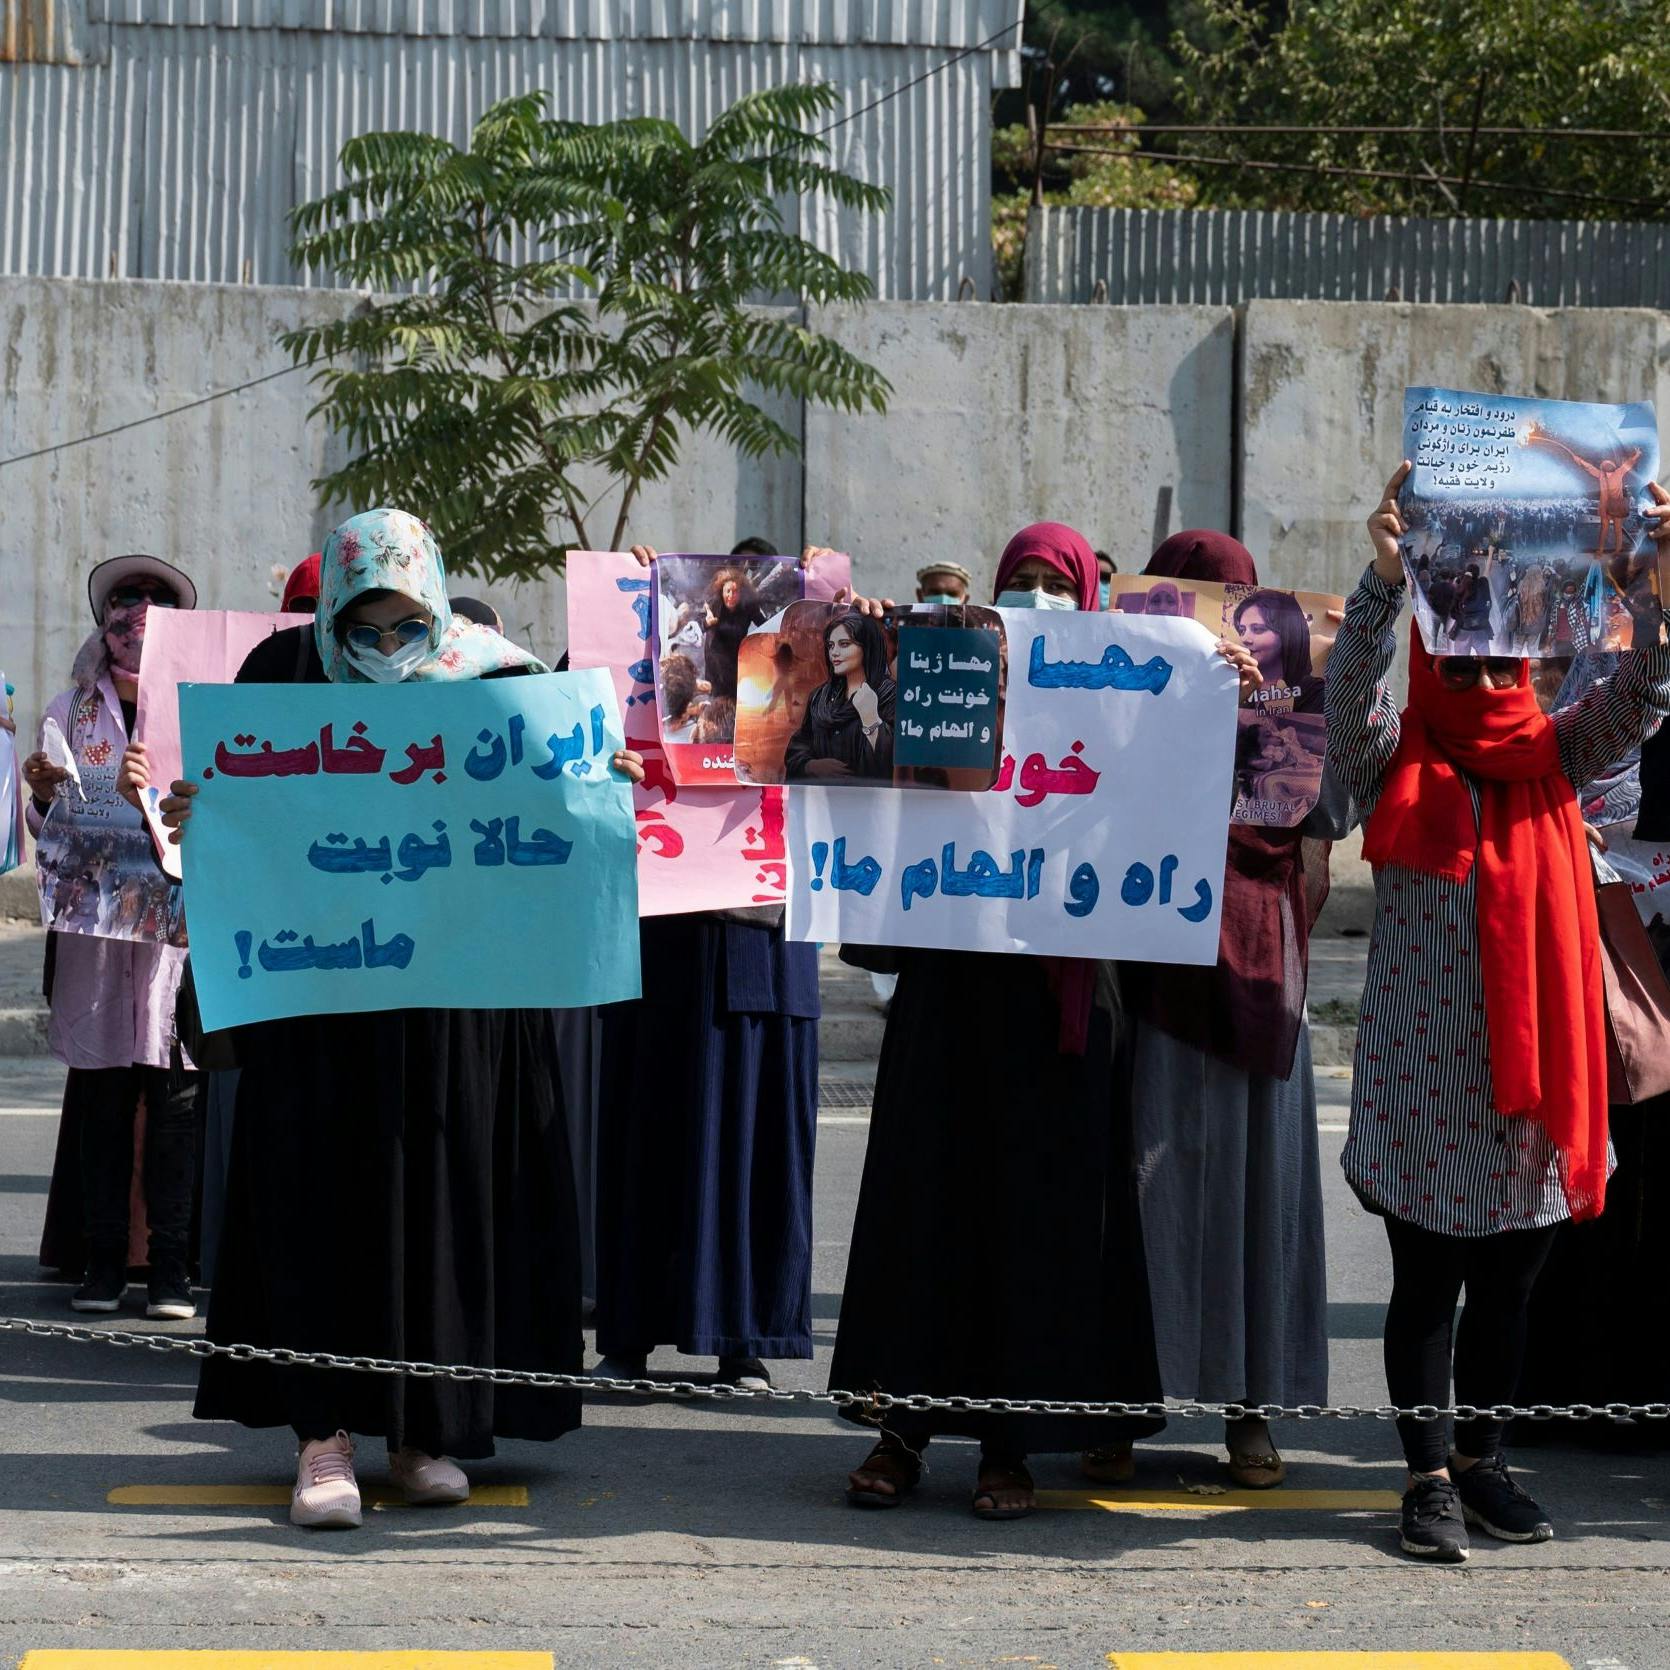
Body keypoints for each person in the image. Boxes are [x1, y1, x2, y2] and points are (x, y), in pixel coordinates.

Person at [146, 507, 645, 1531]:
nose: (381, 648)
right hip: (323, 1005)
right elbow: (239, 819)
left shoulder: (499, 682)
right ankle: (321, 1434)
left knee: (442, 1199)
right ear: (332, 609)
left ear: (435, 603)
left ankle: (424, 1430)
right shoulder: (281, 680)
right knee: (317, 1196)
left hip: (457, 1005)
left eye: (401, 624)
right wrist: (203, 814)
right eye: (363, 627)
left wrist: (599, 790)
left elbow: (553, 820)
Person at [831, 522, 1260, 1520]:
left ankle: (1006, 1445)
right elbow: (868, 773)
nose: (1031, 597)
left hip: (1061, 995)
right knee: (923, 1205)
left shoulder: (1115, 696)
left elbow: (1177, 786)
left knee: (1033, 1219)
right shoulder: (949, 678)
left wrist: (1213, 687)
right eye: (1016, 581)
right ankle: (901, 1433)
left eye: (1049, 582)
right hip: (949, 979)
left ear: (1083, 597)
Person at [1326, 464, 1670, 1563]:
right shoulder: (1394, 759)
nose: (1478, 669)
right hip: (1421, 1079)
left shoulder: (1554, 752)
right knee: (1426, 1283)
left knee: (1511, 1285)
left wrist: (1648, 585)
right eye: (1455, 650)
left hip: (1532, 1084)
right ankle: (1424, 1475)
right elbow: (1348, 705)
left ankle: (1483, 1459)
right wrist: (1383, 584)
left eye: (1494, 653)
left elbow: (1642, 699)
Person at [1114, 533, 1332, 1492]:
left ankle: (1254, 1410)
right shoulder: (1126, 687)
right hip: (1155, 962)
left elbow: (1326, 827)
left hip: (1257, 959)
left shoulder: (1294, 699)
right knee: (1142, 1185)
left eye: (1239, 604)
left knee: (1259, 1187)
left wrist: (1265, 706)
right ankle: (1119, 1399)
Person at [590, 544, 822, 1395]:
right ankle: (628, 1332)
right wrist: (626, 611)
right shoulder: (665, 675)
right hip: (666, 927)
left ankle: (744, 1337)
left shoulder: (823, 682)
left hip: (766, 933)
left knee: (757, 1135)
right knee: (648, 1126)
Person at [30, 555, 200, 1320]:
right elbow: (50, 828)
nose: (138, 610)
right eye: (125, 598)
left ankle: (169, 1270)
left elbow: (223, 804)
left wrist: (161, 797)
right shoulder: (71, 711)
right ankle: (102, 1263)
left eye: (156, 599)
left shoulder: (199, 705)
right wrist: (42, 794)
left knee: (175, 1102)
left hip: (176, 937)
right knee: (101, 1099)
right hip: (97, 934)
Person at [783, 612, 895, 782]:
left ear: (867, 647)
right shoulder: (820, 697)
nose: (834, 652)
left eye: (844, 644)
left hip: (867, 803)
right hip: (820, 802)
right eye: (830, 645)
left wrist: (871, 719)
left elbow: (895, 763)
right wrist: (812, 766)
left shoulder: (890, 695)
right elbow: (799, 745)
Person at [1233, 589, 1325, 712]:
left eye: (1258, 629)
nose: (1245, 639)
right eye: (1242, 630)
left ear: (1287, 634)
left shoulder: (1317, 694)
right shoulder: (1233, 686)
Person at [702, 567, 766, 702]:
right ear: (722, 591)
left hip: (735, 655)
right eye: (728, 591)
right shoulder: (714, 604)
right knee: (717, 697)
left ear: (742, 593)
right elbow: (699, 624)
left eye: (735, 591)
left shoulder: (749, 607)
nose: (731, 596)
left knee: (735, 695)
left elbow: (765, 624)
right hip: (715, 657)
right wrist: (707, 623)